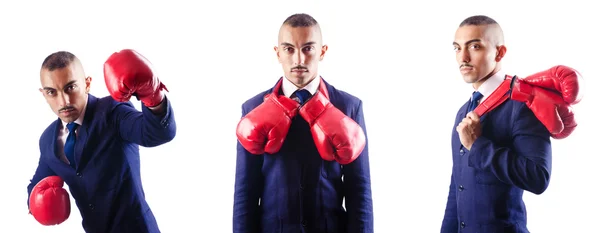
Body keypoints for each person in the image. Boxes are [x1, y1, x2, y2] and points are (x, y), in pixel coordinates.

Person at [233, 13, 374, 233]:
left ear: (322, 51)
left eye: (308, 48)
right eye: (289, 49)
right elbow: (245, 193)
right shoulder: (252, 109)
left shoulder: (348, 107)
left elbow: (360, 190)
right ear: (277, 53)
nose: (298, 60)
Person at [26, 50, 176, 233]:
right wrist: (35, 202)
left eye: (70, 88)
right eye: (52, 92)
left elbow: (157, 132)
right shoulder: (48, 139)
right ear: (43, 94)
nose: (63, 101)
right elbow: (38, 182)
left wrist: (153, 97)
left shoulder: (113, 112)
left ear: (87, 84)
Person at [440, 15, 561, 233]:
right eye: (457, 48)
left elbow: (538, 177)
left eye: (474, 46)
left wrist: (478, 146)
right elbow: (457, 186)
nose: (463, 57)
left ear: (499, 52)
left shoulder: (523, 105)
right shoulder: (463, 112)